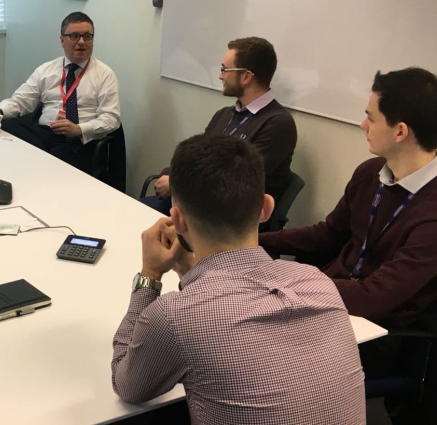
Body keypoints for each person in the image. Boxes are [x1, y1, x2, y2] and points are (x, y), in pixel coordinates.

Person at [111, 134, 364, 424]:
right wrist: (188, 269)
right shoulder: (318, 283)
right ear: (266, 208)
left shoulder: (175, 316)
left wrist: (150, 274)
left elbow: (127, 384)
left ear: (177, 220)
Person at [260, 67, 437, 422]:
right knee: (229, 334)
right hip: (330, 302)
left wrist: (288, 285)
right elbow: (326, 235)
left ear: (400, 131)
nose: (362, 124)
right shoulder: (371, 172)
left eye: (371, 117)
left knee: (256, 362)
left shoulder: (432, 215)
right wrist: (250, 242)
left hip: (377, 332)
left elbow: (376, 296)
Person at [142, 37, 297, 217]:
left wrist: (176, 184)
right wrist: (170, 174)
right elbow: (195, 157)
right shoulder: (224, 115)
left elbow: (235, 180)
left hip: (230, 219)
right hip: (198, 202)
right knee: (134, 214)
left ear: (246, 76)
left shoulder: (278, 124)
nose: (220, 75)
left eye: (225, 69)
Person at [0, 12, 120, 172]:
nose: (81, 42)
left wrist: (79, 129)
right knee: (6, 124)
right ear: (62, 40)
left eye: (87, 36)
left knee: (48, 157)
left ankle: (38, 159)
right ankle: (40, 157)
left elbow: (111, 119)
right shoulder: (47, 70)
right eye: (74, 36)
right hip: (43, 134)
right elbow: (21, 100)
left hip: (78, 140)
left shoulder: (104, 75)